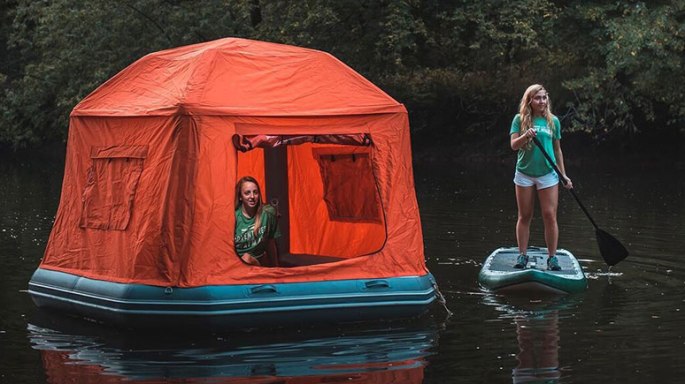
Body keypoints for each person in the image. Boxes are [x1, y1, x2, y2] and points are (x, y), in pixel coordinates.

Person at [510, 84, 572, 271]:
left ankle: (552, 258)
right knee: (525, 215)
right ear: (530, 100)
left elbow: (557, 150)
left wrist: (563, 175)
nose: (542, 101)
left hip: (548, 175)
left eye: (544, 98)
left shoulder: (553, 121)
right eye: (538, 98)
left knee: (549, 215)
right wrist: (526, 137)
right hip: (524, 174)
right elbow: (513, 145)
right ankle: (522, 256)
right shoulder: (519, 119)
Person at [234, 176, 281, 267]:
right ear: (240, 197)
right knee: (245, 258)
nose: (252, 196)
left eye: (255, 192)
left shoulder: (268, 213)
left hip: (259, 262)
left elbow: (271, 243)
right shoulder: (234, 217)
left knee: (247, 258)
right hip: (237, 265)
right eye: (247, 193)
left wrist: (276, 268)